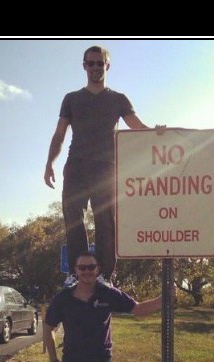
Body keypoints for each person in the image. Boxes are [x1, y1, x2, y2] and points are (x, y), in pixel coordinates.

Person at [44, 45, 165, 287]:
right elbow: (59, 134)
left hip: (106, 169)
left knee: (106, 221)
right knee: (73, 219)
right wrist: (49, 163)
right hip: (76, 166)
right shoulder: (71, 98)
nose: (96, 67)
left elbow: (137, 126)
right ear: (84, 66)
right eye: (91, 63)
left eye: (100, 63)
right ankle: (77, 273)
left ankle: (104, 276)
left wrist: (157, 132)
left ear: (107, 66)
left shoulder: (118, 99)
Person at [42, 250, 176, 362]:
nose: (87, 271)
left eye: (91, 267)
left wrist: (164, 298)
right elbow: (48, 328)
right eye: (82, 267)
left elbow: (137, 309)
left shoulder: (108, 293)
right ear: (76, 270)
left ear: (97, 269)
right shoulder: (63, 298)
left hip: (101, 361)